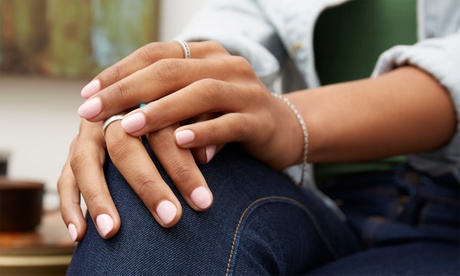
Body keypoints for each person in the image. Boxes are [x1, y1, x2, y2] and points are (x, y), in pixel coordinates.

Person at [58, 0, 460, 274]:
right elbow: (229, 34)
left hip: (449, 216)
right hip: (331, 205)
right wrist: (152, 98)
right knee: (157, 169)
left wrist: (291, 121)